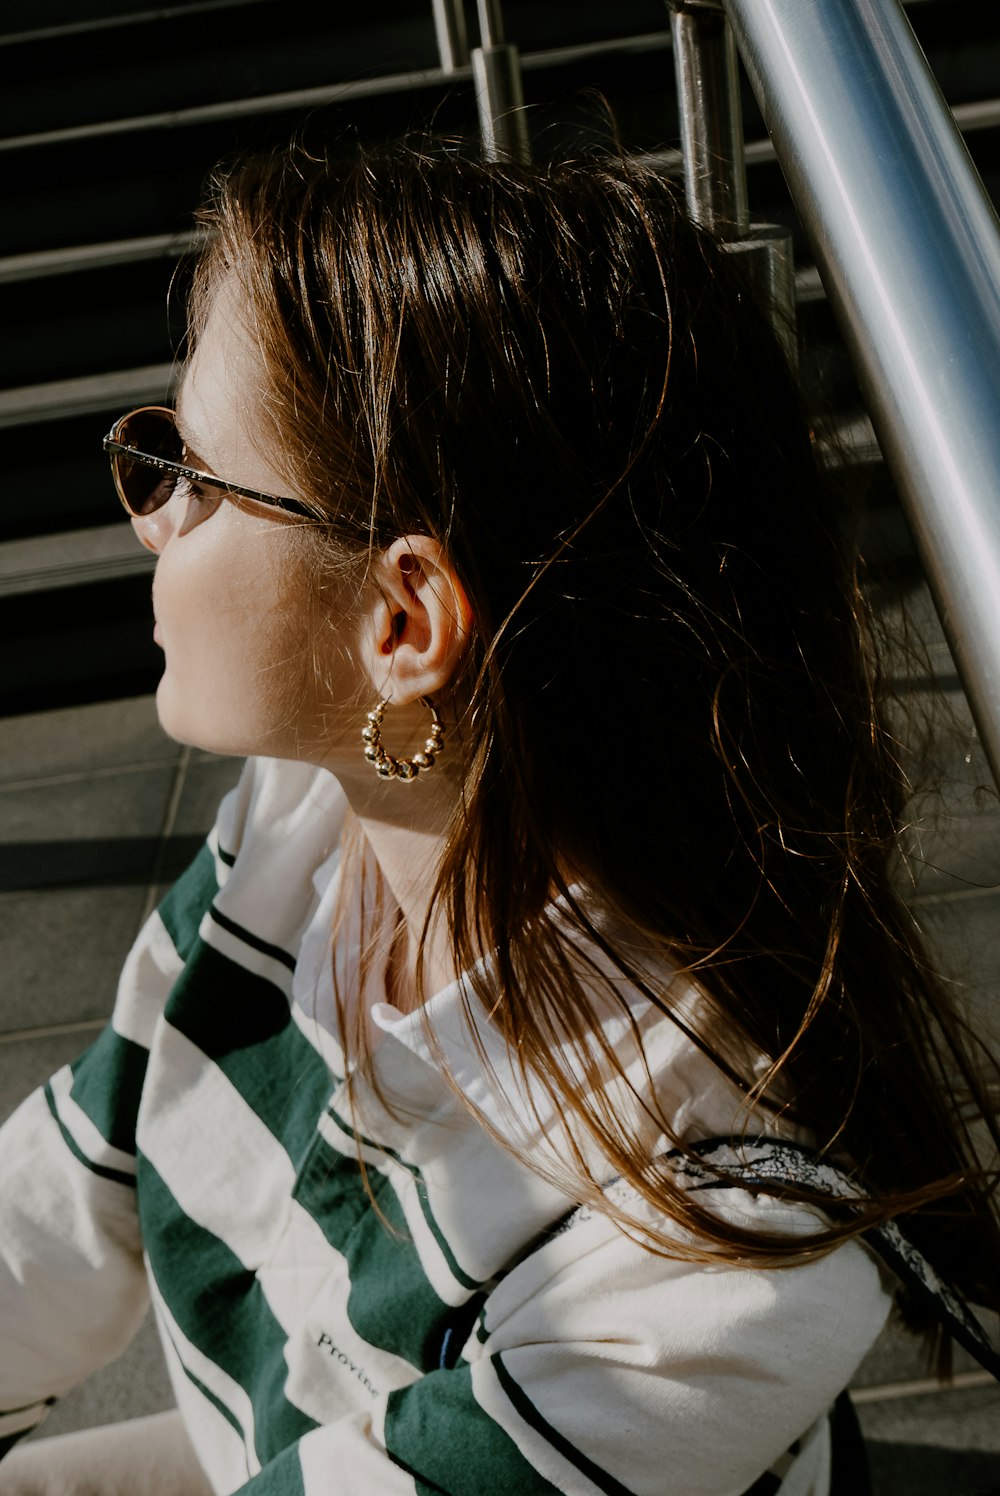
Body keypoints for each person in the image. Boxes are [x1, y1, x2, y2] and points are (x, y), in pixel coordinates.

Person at [0, 139, 998, 1496]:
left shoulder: (707, 1242)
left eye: (191, 470)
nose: (150, 518)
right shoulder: (292, 835)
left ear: (403, 620)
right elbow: (51, 1220)